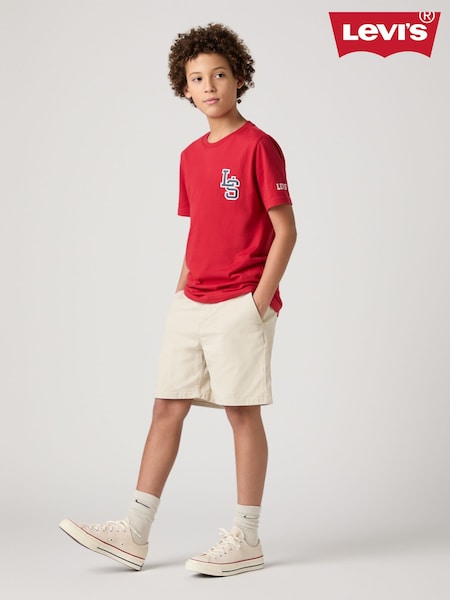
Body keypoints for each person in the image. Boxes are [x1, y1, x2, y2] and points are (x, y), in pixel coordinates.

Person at [59, 22, 297, 577]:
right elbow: (199, 230)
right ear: (184, 88)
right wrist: (180, 290)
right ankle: (134, 532)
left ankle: (247, 538)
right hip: (192, 300)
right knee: (166, 406)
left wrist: (258, 302)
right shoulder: (190, 156)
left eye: (219, 74)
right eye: (197, 78)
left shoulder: (259, 146)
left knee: (241, 413)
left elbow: (285, 230)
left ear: (239, 78)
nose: (209, 85)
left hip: (241, 301)